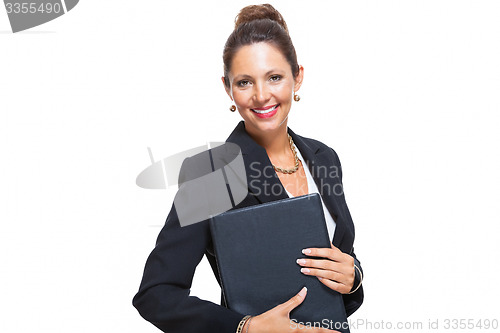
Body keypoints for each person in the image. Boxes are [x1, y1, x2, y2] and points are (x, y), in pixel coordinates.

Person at [133, 4, 364, 333]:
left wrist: (354, 278)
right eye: (244, 82)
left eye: (274, 77)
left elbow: (339, 284)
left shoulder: (324, 158)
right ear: (228, 88)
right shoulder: (211, 174)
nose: (261, 96)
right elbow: (156, 294)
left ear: (297, 77)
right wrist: (246, 327)